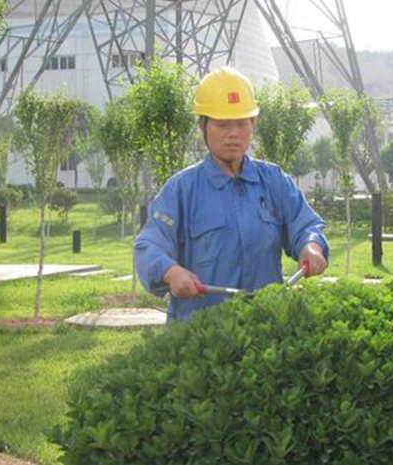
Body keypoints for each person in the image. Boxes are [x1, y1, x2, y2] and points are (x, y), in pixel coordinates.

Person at [135, 67, 329, 321]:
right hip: (201, 339)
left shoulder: (274, 181)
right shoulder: (180, 190)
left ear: (253, 124)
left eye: (241, 123)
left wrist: (311, 246)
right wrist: (171, 272)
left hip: (263, 330)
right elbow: (149, 245)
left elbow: (305, 225)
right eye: (223, 124)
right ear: (202, 126)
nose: (233, 133)